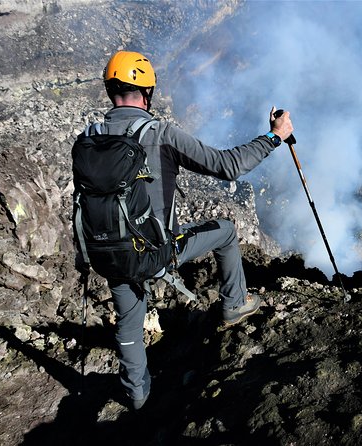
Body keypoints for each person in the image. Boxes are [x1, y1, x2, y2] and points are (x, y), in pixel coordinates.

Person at [77, 50, 293, 410]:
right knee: (224, 230)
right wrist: (274, 137)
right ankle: (235, 304)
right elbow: (228, 166)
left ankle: (138, 395)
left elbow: (86, 204)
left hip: (106, 254)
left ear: (109, 90)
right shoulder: (160, 133)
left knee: (129, 321)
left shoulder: (87, 138)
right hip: (158, 252)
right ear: (147, 93)